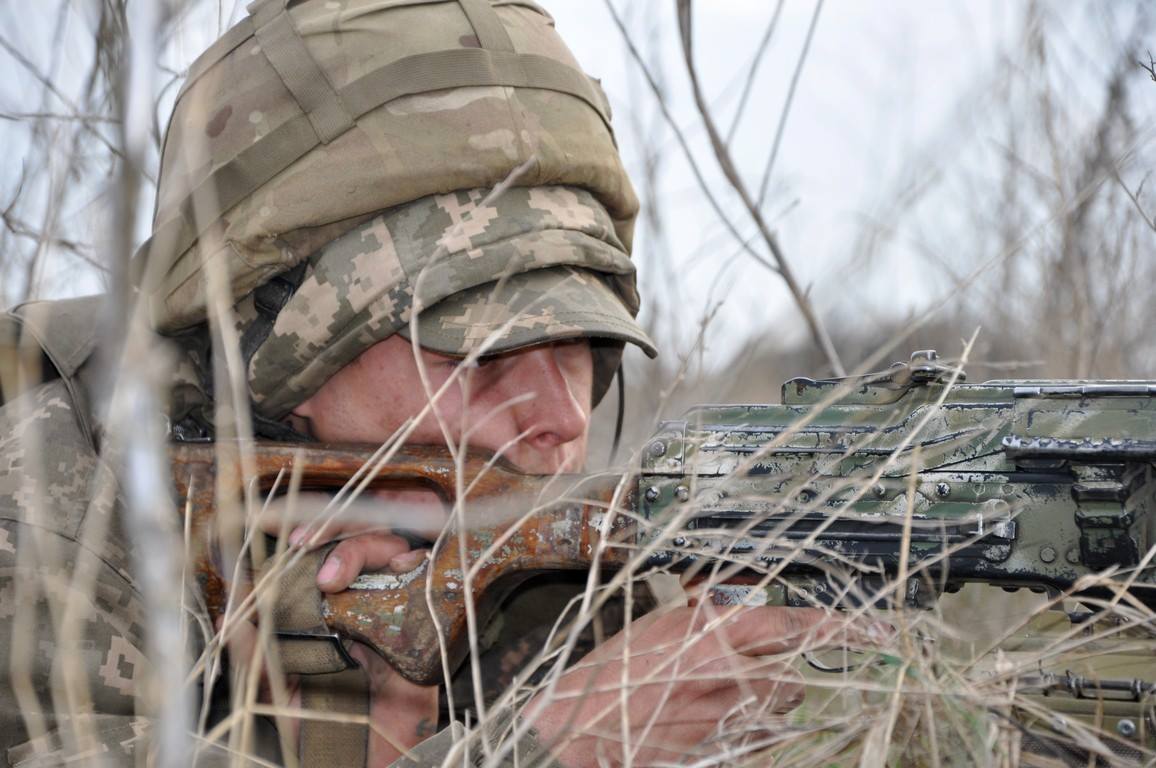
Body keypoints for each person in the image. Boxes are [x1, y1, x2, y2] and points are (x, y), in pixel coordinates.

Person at [0, 1, 855, 765]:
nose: (563, 418)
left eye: (581, 349)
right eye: (481, 357)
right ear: (285, 361)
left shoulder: (536, 566)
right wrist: (556, 745)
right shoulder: (50, 502)